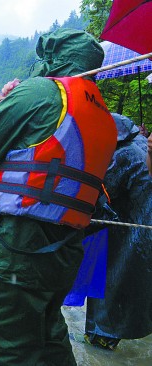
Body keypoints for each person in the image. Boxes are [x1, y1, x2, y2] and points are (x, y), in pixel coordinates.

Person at [0, 28, 117, 365]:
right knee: (49, 337)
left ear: (52, 59)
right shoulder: (104, 117)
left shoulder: (41, 93)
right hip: (64, 250)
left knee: (2, 349)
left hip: (18, 248)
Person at [82, 113, 152, 350]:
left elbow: (99, 199)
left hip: (132, 234)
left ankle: (100, 337)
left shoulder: (122, 155)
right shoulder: (140, 143)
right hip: (142, 224)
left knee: (113, 284)